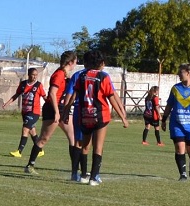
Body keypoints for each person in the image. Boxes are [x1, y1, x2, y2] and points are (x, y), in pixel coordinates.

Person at [63, 49, 128, 186]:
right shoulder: (103, 76)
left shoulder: (81, 76)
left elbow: (74, 95)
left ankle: (84, 175)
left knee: (85, 146)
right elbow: (111, 98)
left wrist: (66, 111)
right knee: (98, 147)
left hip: (85, 114)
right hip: (100, 115)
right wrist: (122, 116)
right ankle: (93, 178)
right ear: (101, 63)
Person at [24, 50, 77, 175]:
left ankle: (75, 169)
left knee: (72, 137)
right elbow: (52, 93)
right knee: (44, 139)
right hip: (53, 108)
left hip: (61, 108)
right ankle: (29, 165)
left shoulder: (64, 75)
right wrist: (57, 112)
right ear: (70, 62)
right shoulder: (59, 74)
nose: (76, 64)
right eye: (75, 61)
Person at [160, 61, 190, 181]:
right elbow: (169, 105)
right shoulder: (176, 89)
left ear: (188, 73)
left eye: (180, 72)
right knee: (179, 148)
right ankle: (183, 174)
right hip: (177, 125)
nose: (178, 74)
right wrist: (164, 119)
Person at [3, 67, 46, 158]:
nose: (34, 77)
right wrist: (7, 103)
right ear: (28, 75)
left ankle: (19, 151)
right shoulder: (23, 84)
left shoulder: (38, 85)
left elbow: (44, 97)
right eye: (33, 75)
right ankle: (40, 150)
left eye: (36, 75)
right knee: (32, 131)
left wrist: (52, 107)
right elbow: (16, 95)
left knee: (25, 129)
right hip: (25, 112)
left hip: (34, 112)